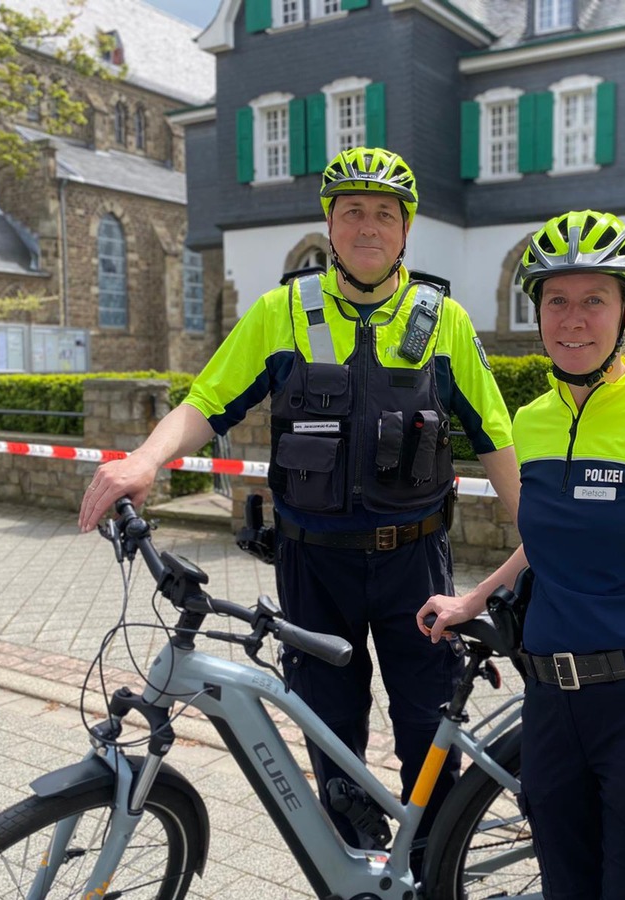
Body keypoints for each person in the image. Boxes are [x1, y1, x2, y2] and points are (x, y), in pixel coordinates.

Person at [78, 146, 519, 848]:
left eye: (384, 214)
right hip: (314, 566)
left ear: (406, 229)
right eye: (352, 213)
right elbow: (207, 402)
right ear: (330, 224)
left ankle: (434, 862)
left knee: (428, 728)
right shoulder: (281, 312)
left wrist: (544, 546)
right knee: (327, 729)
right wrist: (143, 459)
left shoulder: (446, 322)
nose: (367, 227)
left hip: (415, 566)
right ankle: (356, 859)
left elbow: (496, 439)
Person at [417, 210, 625, 899]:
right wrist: (475, 597)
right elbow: (549, 537)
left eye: (593, 300)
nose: (572, 320)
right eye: (556, 301)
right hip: (551, 712)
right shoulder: (531, 422)